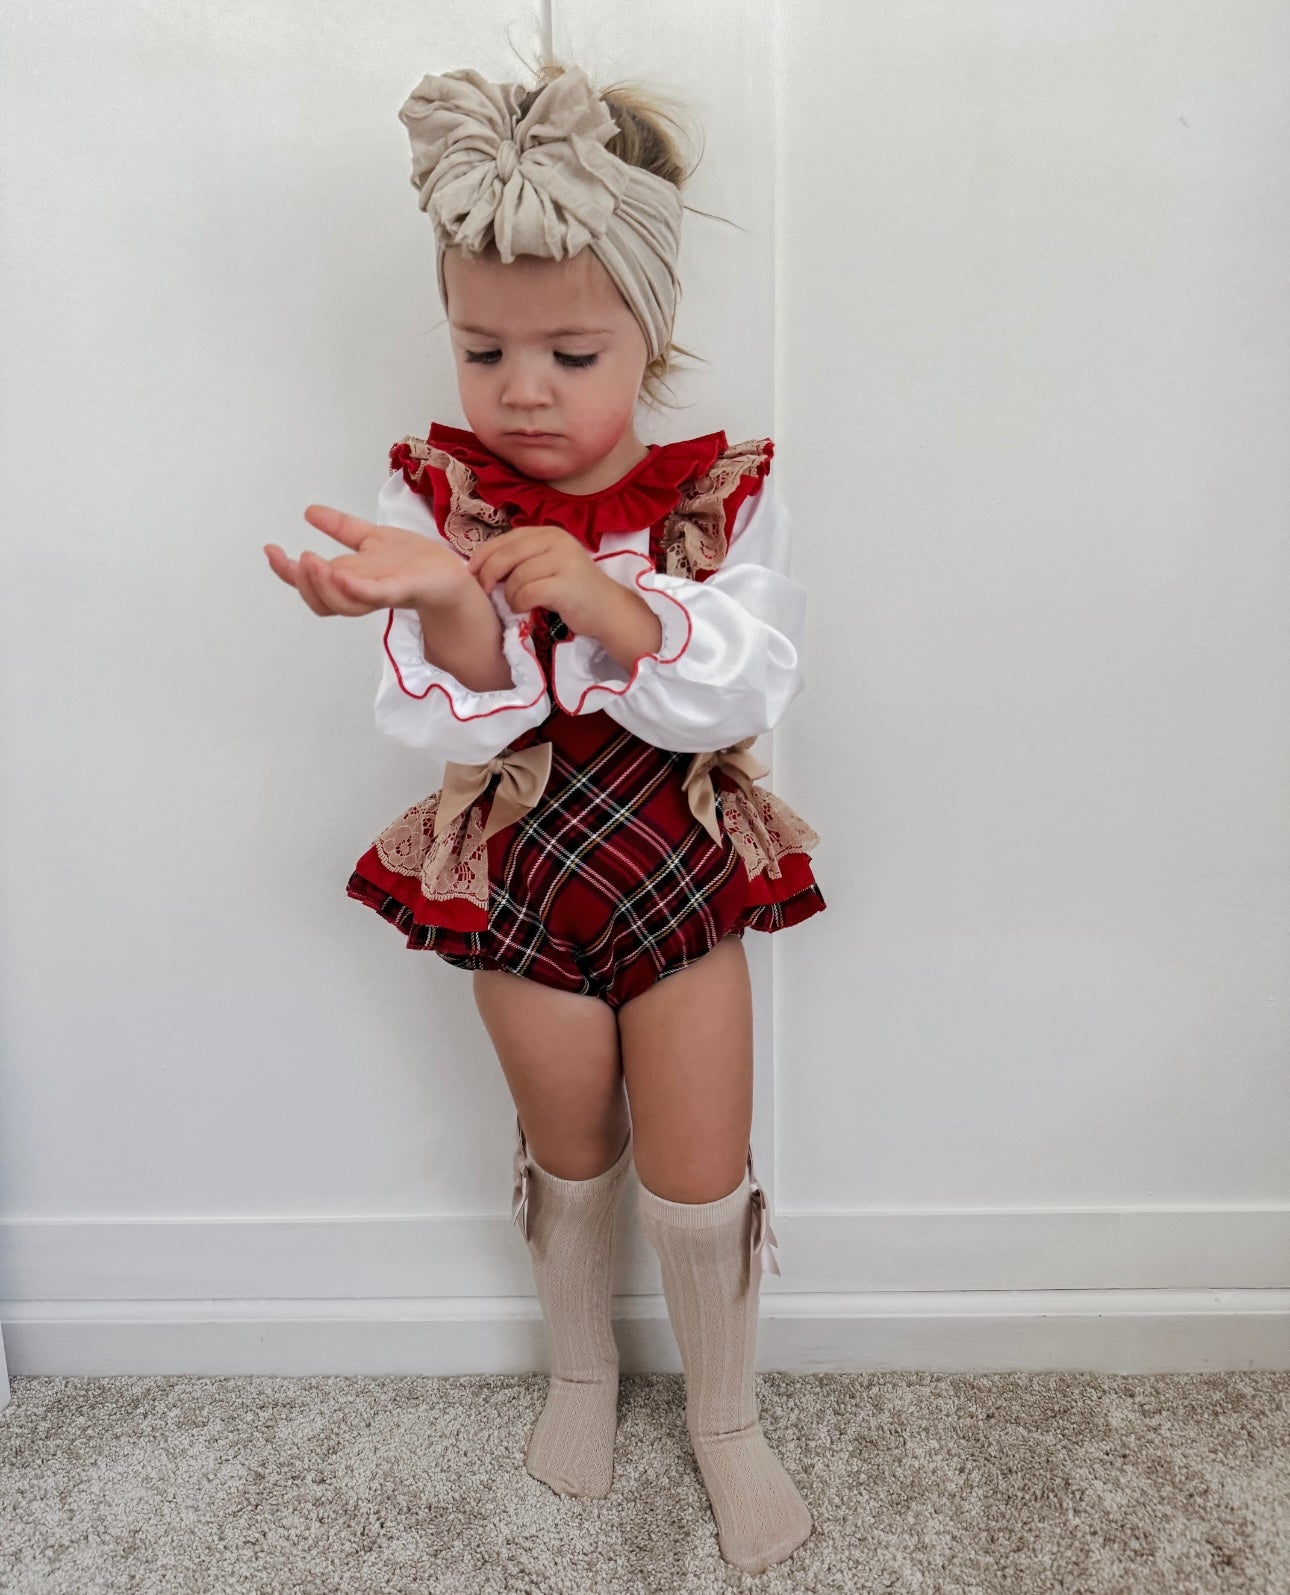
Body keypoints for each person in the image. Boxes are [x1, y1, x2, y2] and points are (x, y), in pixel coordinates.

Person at [263, 57, 824, 1576]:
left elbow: (742, 687)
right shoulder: (441, 506)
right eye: (481, 349)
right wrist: (454, 595)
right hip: (522, 876)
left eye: (572, 352)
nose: (521, 391)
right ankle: (582, 1371)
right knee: (569, 1148)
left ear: (650, 331)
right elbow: (481, 716)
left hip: (677, 870)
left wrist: (609, 599)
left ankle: (723, 1417)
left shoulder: (716, 497)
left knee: (697, 1169)